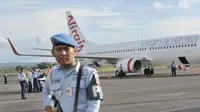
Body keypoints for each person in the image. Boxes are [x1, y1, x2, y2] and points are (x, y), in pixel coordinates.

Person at [42, 33, 103, 112]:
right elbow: (46, 92)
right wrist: (48, 106)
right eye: (59, 49)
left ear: (75, 51)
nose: (63, 53)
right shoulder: (53, 73)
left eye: (67, 49)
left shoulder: (89, 73)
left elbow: (94, 103)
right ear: (53, 53)